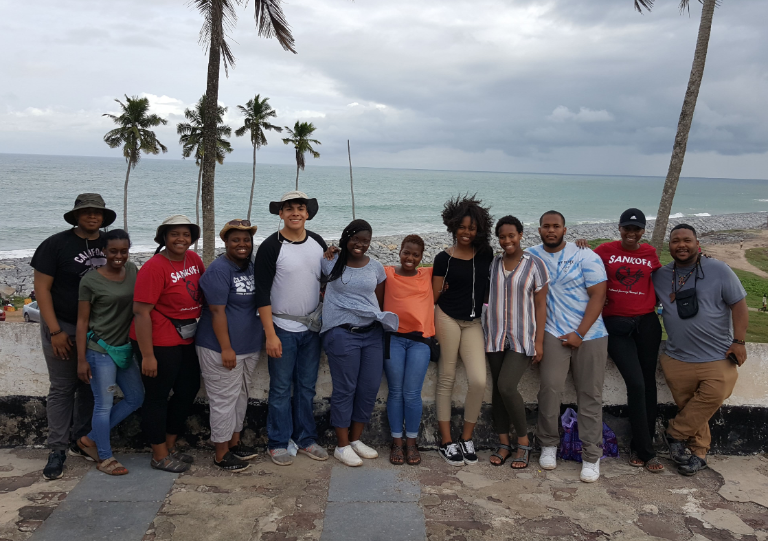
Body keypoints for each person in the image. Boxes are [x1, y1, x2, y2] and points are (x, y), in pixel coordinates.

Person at [31, 193, 114, 480]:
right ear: (76, 215)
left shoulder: (109, 243)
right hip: (63, 325)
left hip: (99, 330)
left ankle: (83, 438)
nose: (93, 216)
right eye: (87, 212)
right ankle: (57, 449)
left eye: (97, 213)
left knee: (91, 387)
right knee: (63, 387)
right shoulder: (55, 245)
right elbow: (41, 290)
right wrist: (54, 331)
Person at [653, 224, 748, 476]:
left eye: (686, 240)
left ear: (697, 244)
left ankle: (673, 433)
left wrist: (739, 342)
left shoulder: (719, 270)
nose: (681, 245)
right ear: (669, 246)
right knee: (694, 409)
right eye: (675, 241)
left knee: (714, 395)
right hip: (677, 357)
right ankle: (699, 454)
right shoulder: (661, 275)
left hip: (717, 356)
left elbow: (739, 306)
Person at [527, 210, 608, 483]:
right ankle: (549, 445)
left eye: (556, 226)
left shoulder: (586, 255)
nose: (551, 230)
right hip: (551, 332)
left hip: (591, 334)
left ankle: (591, 456)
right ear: (539, 229)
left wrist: (580, 333)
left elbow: (599, 296)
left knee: (590, 395)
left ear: (565, 229)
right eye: (546, 226)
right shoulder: (531, 256)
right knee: (549, 389)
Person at [586, 208, 665, 473]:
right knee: (636, 382)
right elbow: (584, 270)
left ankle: (642, 446)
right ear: (619, 228)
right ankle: (646, 450)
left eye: (637, 229)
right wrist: (580, 245)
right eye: (627, 228)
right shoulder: (604, 250)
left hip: (647, 323)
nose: (631, 233)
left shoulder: (650, 254)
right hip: (616, 324)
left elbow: (661, 281)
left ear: (643, 231)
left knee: (649, 384)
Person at [254, 191, 329, 466]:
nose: (295, 212)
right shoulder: (270, 247)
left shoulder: (318, 243)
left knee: (307, 387)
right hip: (282, 328)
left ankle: (306, 439)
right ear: (281, 214)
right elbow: (261, 293)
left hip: (312, 328)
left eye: (301, 208)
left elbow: (325, 278)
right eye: (290, 208)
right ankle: (277, 442)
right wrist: (270, 334)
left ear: (308, 213)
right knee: (281, 389)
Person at [130, 215, 205, 473]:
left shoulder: (194, 260)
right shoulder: (154, 267)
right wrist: (147, 355)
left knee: (188, 389)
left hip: (186, 336)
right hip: (158, 339)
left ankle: (170, 445)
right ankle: (159, 454)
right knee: (157, 397)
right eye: (174, 234)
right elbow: (140, 312)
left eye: (185, 234)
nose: (180, 239)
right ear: (164, 237)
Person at [321, 219, 398, 467]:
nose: (360, 245)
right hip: (341, 334)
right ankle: (341, 446)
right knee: (345, 389)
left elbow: (378, 302)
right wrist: (332, 249)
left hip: (372, 334)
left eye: (365, 241)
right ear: (346, 237)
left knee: (368, 388)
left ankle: (355, 440)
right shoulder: (330, 260)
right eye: (356, 239)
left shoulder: (376, 267)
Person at [75, 229, 143, 475]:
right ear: (104, 251)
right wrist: (81, 359)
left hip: (124, 349)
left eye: (123, 251)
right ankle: (105, 457)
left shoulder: (133, 270)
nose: (118, 256)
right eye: (113, 251)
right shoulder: (91, 280)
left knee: (136, 397)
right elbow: (82, 322)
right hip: (99, 350)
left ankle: (90, 438)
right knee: (103, 405)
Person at [432, 195, 494, 466]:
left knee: (479, 380)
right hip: (446, 317)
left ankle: (466, 438)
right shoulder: (442, 259)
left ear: (479, 229)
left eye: (472, 228)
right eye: (462, 227)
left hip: (473, 322)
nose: (466, 233)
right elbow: (434, 294)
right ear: (453, 226)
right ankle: (446, 442)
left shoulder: (486, 254)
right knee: (446, 377)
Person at [196, 219, 262, 472]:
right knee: (223, 400)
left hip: (248, 345)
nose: (242, 244)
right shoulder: (219, 270)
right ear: (225, 242)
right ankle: (221, 454)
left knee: (241, 397)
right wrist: (226, 347)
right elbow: (216, 311)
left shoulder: (250, 268)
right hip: (220, 347)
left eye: (246, 240)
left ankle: (234, 444)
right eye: (236, 240)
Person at [485, 216, 549, 469]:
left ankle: (523, 443)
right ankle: (504, 444)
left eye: (511, 235)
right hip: (495, 334)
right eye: (502, 237)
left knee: (507, 386)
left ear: (521, 235)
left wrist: (539, 342)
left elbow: (541, 304)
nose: (507, 240)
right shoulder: (494, 264)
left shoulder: (535, 265)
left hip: (523, 337)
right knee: (497, 392)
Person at [382, 235, 434, 466]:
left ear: (422, 257)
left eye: (415, 255)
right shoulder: (387, 273)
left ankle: (411, 442)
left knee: (412, 393)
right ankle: (396, 442)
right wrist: (332, 251)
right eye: (406, 252)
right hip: (393, 339)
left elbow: (456, 263)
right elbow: (355, 261)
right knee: (395, 392)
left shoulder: (428, 274)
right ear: (399, 252)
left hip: (420, 341)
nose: (410, 258)